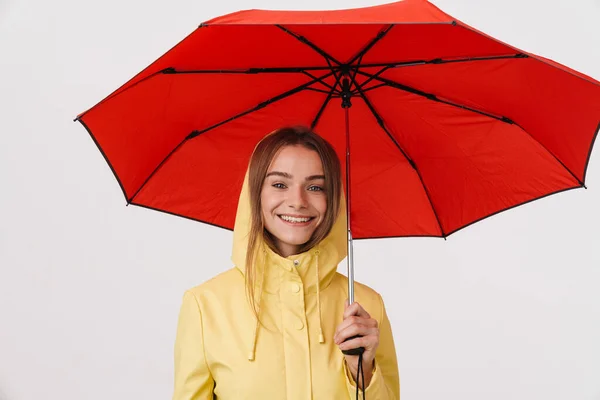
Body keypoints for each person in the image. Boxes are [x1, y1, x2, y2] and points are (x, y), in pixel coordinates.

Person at [172, 126, 399, 399]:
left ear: (334, 199)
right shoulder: (205, 305)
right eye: (280, 184)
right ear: (255, 192)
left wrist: (362, 372)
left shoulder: (365, 307)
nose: (298, 201)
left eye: (316, 187)